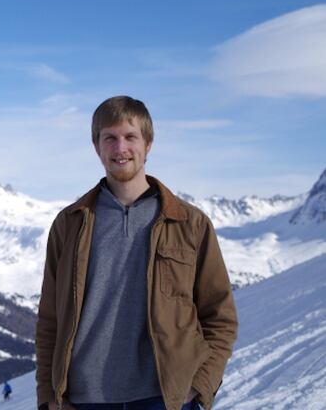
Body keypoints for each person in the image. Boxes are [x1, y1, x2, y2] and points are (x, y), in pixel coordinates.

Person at [35, 96, 238, 410]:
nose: (120, 149)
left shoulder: (189, 223)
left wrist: (199, 386)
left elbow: (220, 317)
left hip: (164, 398)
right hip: (85, 399)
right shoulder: (69, 223)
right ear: (96, 146)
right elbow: (49, 320)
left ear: (148, 144)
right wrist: (48, 399)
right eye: (110, 138)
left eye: (130, 137)